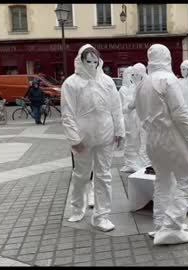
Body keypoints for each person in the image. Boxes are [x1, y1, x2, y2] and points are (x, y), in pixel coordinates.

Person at [134, 44, 188, 245]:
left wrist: (151, 130)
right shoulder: (168, 80)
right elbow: (181, 113)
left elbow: (139, 113)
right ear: (167, 57)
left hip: (152, 139)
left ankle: (161, 224)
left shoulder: (143, 83)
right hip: (171, 136)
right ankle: (171, 226)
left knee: (162, 180)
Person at [61, 44, 125, 232]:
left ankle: (101, 215)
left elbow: (116, 107)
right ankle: (77, 207)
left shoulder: (106, 81)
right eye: (87, 61)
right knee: (81, 175)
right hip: (84, 137)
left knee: (103, 175)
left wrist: (119, 131)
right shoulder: (71, 84)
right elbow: (67, 113)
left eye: (94, 61)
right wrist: (74, 139)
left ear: (99, 61)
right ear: (80, 60)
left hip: (105, 135)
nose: (91, 64)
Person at [119, 67, 143, 173]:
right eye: (130, 74)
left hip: (139, 119)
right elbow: (122, 106)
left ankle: (139, 163)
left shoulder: (142, 87)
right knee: (129, 142)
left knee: (139, 142)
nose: (132, 77)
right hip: (128, 119)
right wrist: (128, 107)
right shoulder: (124, 90)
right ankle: (130, 163)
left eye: (134, 74)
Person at [129, 63, 152, 168]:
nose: (133, 77)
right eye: (132, 75)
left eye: (136, 75)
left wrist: (127, 107)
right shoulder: (140, 85)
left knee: (144, 146)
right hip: (140, 119)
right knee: (139, 143)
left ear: (142, 74)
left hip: (145, 120)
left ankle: (147, 168)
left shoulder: (144, 86)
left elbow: (133, 104)